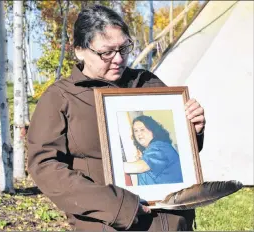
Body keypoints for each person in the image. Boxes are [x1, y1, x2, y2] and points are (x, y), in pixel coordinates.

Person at [27, 4, 205, 231]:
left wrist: (194, 131)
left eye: (124, 48)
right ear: (79, 50)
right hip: (110, 224)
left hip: (172, 223)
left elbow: (175, 151)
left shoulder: (147, 83)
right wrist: (118, 206)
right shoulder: (60, 97)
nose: (119, 59)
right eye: (106, 52)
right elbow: (45, 166)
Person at [123, 115, 183, 185]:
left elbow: (140, 166)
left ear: (153, 131)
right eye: (136, 131)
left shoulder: (160, 146)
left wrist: (112, 166)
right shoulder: (151, 149)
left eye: (142, 129)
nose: (138, 133)